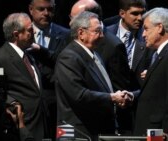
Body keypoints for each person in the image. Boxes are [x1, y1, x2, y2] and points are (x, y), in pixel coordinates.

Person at [55, 11, 133, 140]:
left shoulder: (93, 54)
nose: (102, 36)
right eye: (97, 31)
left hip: (96, 130)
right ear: (81, 33)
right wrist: (112, 97)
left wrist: (118, 96)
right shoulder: (69, 57)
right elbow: (78, 95)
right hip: (80, 133)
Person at [0, 12, 49, 141]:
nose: (34, 33)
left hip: (41, 122)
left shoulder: (29, 54)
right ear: (16, 34)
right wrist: (13, 103)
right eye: (30, 30)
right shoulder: (0, 59)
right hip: (22, 126)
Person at [133, 7, 168, 141]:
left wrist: (167, 132)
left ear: (160, 27)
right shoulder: (163, 53)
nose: (143, 34)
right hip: (152, 129)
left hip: (160, 132)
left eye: (146, 29)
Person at [28, 0, 70, 138]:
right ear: (31, 9)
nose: (46, 13)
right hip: (30, 103)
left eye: (50, 9)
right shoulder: (21, 33)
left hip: (57, 102)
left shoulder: (66, 35)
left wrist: (41, 50)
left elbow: (65, 62)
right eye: (41, 9)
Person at [107, 0, 153, 89]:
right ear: (122, 13)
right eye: (135, 13)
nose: (140, 18)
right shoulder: (106, 33)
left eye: (143, 13)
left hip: (137, 94)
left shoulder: (149, 36)